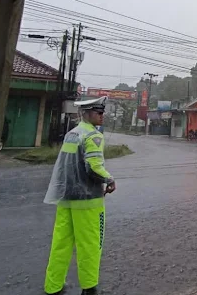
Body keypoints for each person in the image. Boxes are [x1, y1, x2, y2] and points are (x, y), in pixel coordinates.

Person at [43, 96, 116, 295]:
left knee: (60, 243)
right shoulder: (93, 136)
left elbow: (64, 167)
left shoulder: (72, 134)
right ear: (88, 113)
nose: (102, 116)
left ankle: (53, 286)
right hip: (88, 201)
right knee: (90, 244)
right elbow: (93, 167)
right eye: (99, 113)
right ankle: (89, 288)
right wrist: (110, 179)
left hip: (66, 198)